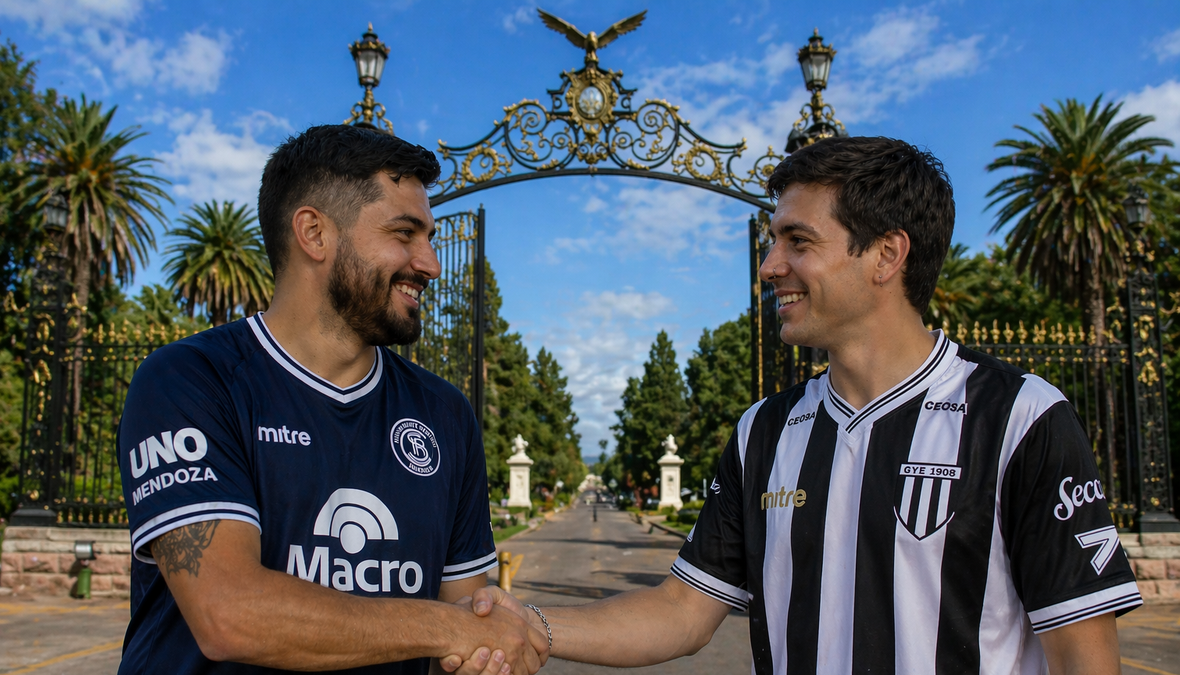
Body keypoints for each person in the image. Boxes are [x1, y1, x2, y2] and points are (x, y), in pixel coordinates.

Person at [448, 136, 1141, 675]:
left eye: (798, 241)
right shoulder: (764, 432)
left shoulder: (1020, 419)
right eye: (774, 239)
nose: (769, 264)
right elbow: (683, 611)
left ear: (886, 255)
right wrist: (532, 624)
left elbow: (1083, 655)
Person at [116, 125, 548, 675]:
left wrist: (489, 642)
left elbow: (470, 626)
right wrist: (450, 627)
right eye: (404, 233)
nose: (430, 263)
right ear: (314, 233)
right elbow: (230, 614)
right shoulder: (190, 381)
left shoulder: (444, 414)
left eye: (431, 237)